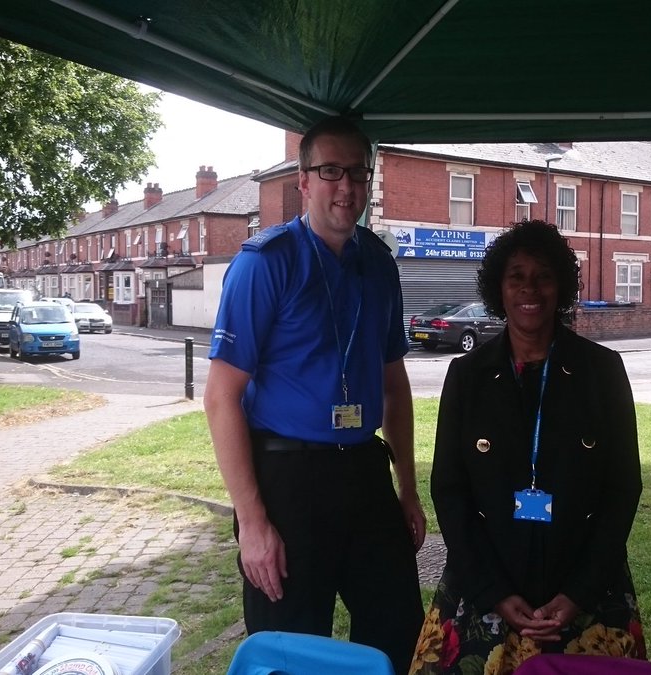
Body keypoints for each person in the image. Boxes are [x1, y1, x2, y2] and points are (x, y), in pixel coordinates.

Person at [204, 116, 425, 674]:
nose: (346, 187)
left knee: (399, 634)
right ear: (303, 181)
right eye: (331, 171)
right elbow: (220, 397)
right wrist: (253, 524)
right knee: (291, 651)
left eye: (357, 172)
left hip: (365, 474)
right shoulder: (265, 262)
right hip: (288, 482)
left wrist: (407, 489)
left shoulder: (378, 262)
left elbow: (393, 382)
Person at [410, 220, 646, 674]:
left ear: (561, 286)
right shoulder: (467, 376)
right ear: (499, 288)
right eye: (516, 276)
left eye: (543, 275)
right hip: (486, 582)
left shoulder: (603, 371)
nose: (529, 288)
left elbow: (623, 487)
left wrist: (579, 593)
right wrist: (492, 591)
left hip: (584, 587)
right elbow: (448, 488)